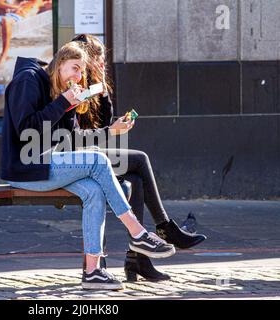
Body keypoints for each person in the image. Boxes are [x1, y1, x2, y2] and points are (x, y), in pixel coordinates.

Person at [0, 41, 176, 290]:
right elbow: (26, 130)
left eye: (81, 71)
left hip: (47, 164)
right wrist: (62, 103)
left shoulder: (62, 91)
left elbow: (71, 140)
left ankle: (93, 271)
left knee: (94, 190)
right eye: (74, 68)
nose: (78, 76)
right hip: (24, 168)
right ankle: (138, 233)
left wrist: (109, 131)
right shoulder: (28, 81)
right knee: (98, 160)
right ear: (59, 64)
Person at [71, 34, 207, 282]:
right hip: (77, 158)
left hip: (94, 152)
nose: (102, 63)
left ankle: (138, 260)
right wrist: (108, 128)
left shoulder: (94, 85)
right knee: (140, 159)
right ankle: (164, 228)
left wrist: (103, 92)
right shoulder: (75, 84)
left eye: (103, 59)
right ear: (86, 58)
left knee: (136, 179)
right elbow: (77, 135)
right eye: (98, 59)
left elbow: (102, 126)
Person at [0, 0, 51, 65]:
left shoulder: (39, 2)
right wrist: (16, 7)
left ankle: (4, 55)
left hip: (17, 17)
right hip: (5, 16)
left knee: (6, 20)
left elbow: (50, 6)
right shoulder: (20, 1)